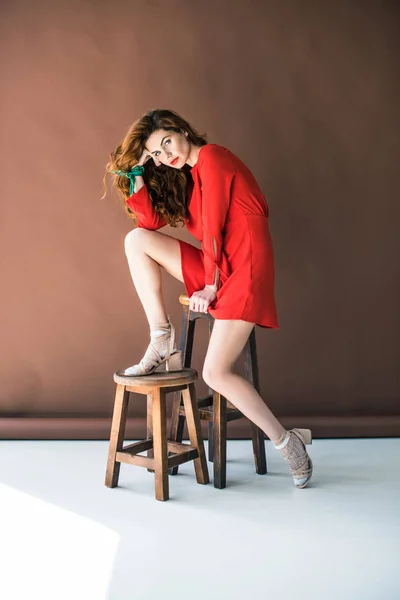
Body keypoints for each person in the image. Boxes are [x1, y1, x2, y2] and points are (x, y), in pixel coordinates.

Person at [103, 108, 313, 488]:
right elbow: (149, 225)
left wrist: (212, 286)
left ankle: (288, 442)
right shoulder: (188, 175)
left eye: (167, 142)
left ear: (181, 129)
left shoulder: (213, 157)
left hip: (244, 269)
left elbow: (214, 229)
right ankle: (161, 337)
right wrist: (137, 176)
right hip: (220, 266)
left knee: (216, 372)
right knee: (136, 241)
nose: (166, 156)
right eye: (155, 154)